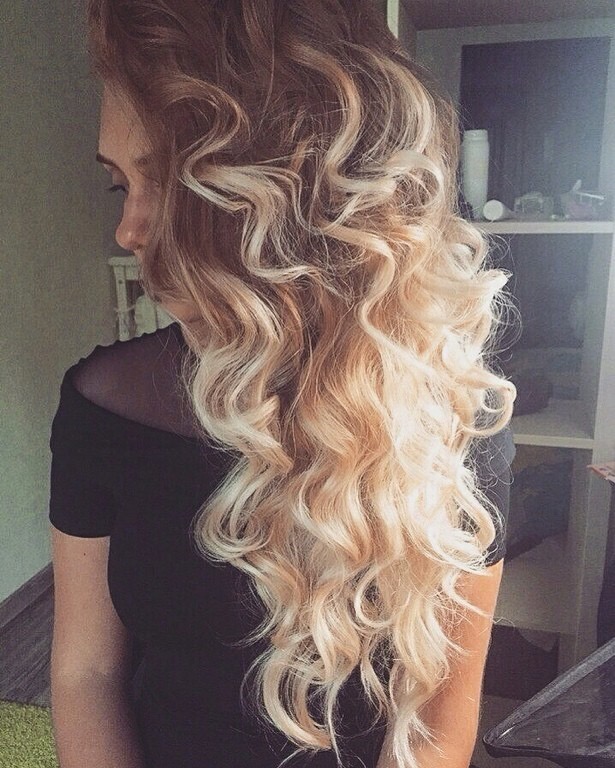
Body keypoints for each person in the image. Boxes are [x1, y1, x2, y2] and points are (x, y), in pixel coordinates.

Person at [49, 1, 516, 767]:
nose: (127, 230)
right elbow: (86, 673)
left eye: (167, 183)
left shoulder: (456, 418)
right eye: (118, 185)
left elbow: (436, 714)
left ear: (299, 194)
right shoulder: (106, 409)